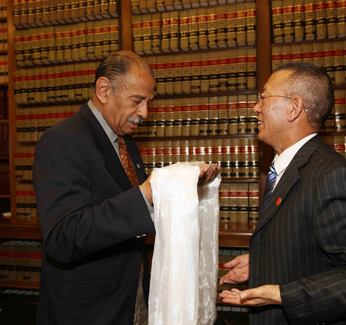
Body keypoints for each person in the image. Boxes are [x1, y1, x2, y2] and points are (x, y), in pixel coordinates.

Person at [33, 51, 220, 325]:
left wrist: (181, 190)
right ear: (104, 90)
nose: (144, 112)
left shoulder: (124, 141)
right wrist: (147, 194)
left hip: (130, 296)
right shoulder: (61, 141)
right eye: (137, 100)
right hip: (86, 311)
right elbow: (63, 237)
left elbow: (128, 216)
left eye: (148, 102)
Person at [219, 63, 346, 324]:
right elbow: (312, 249)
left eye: (264, 97)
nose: (256, 107)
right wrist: (263, 264)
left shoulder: (332, 176)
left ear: (293, 107)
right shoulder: (290, 168)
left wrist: (284, 294)